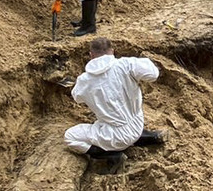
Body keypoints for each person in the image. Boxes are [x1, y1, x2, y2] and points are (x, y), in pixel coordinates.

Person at [64, 37, 164, 170]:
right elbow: (153, 74)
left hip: (116, 137)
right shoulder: (126, 65)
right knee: (122, 117)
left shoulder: (84, 80)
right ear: (112, 51)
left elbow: (77, 97)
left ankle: (113, 156)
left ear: (91, 55)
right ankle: (147, 137)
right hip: (138, 123)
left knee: (70, 137)